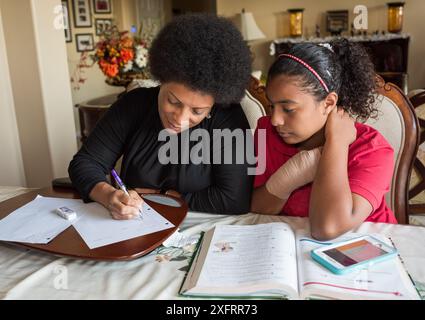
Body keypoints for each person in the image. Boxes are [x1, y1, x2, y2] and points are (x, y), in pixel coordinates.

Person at [68, 14, 253, 220]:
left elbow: (235, 199)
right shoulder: (134, 104)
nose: (180, 118)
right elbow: (85, 162)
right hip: (133, 226)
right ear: (161, 80)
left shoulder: (228, 119)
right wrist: (108, 194)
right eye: (173, 101)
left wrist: (163, 197)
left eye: (197, 111)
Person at [250, 39, 397, 240]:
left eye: (288, 109)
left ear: (328, 103)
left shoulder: (372, 149)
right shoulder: (266, 130)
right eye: (271, 106)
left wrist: (336, 143)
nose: (275, 119)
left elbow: (327, 228)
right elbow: (256, 206)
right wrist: (289, 177)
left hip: (369, 254)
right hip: (293, 248)